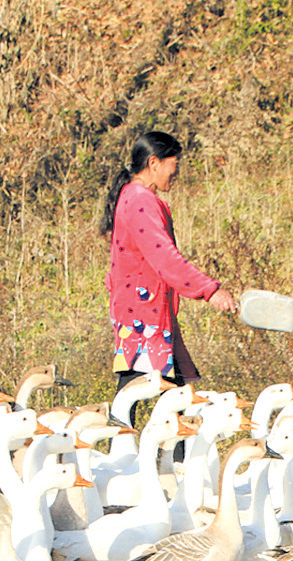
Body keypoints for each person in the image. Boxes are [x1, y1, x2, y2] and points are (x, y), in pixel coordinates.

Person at [99, 131, 238, 391]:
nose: (176, 172)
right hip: (143, 315)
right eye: (174, 164)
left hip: (147, 311)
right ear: (154, 163)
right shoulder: (140, 200)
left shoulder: (135, 198)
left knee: (168, 392)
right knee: (155, 393)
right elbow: (165, 258)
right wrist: (210, 290)